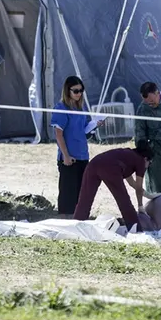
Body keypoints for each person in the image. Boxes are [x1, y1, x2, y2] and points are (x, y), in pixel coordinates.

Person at [73, 140, 154, 231]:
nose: (148, 166)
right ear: (146, 158)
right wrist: (140, 206)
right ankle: (136, 229)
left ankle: (76, 226)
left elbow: (132, 184)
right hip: (110, 168)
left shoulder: (128, 156)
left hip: (94, 163)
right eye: (150, 163)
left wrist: (150, 195)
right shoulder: (140, 161)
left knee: (85, 198)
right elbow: (138, 187)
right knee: (123, 200)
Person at [50, 76, 102, 216]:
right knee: (68, 194)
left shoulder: (81, 108)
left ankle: (80, 219)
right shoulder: (60, 108)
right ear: (68, 91)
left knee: (82, 191)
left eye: (81, 90)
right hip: (69, 157)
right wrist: (66, 156)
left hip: (83, 155)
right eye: (76, 91)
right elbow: (59, 134)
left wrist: (94, 126)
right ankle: (66, 221)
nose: (79, 94)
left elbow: (83, 131)